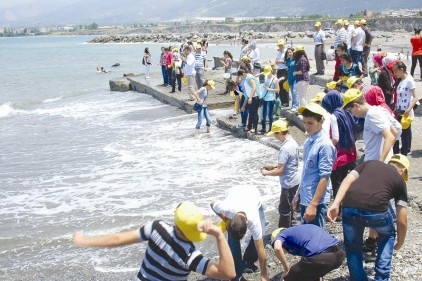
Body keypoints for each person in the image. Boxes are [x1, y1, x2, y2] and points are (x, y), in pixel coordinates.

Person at [73, 202, 235, 281]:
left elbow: (118, 239)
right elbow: (228, 274)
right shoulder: (190, 256)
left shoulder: (156, 228)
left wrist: (85, 241)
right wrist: (219, 236)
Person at [327, 154, 410, 281]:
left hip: (349, 206)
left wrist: (336, 203)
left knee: (353, 248)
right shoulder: (399, 180)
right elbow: (402, 220)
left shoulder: (369, 163)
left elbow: (348, 179)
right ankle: (381, 277)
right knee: (387, 235)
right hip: (377, 211)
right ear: (403, 170)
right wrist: (400, 241)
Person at [210, 186, 269, 281]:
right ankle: (236, 273)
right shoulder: (226, 209)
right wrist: (225, 219)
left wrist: (264, 274)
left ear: (247, 223)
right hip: (233, 192)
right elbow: (212, 203)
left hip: (253, 195)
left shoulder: (253, 220)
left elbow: (261, 249)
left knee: (261, 236)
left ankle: (248, 261)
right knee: (233, 242)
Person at [297, 103, 336, 227]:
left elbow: (324, 177)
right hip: (306, 195)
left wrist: (313, 204)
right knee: (305, 235)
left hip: (315, 201)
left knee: (314, 239)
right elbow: (306, 171)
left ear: (321, 121)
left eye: (310, 123)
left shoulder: (325, 145)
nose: (306, 126)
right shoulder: (309, 140)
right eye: (304, 122)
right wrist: (299, 194)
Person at [262, 120, 300, 228]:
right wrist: (274, 166)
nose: (274, 137)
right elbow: (288, 162)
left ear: (279, 132)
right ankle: (292, 224)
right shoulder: (293, 142)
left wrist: (266, 172)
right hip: (295, 179)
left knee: (284, 208)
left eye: (275, 134)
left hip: (288, 182)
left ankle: (283, 231)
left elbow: (280, 171)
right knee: (289, 204)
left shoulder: (284, 148)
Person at [342, 88, 397, 163]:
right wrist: (388, 153)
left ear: (356, 105)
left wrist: (380, 162)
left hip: (376, 164)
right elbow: (394, 131)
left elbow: (390, 137)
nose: (351, 114)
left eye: (350, 110)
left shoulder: (372, 115)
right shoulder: (378, 109)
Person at [271, 225, 345, 281]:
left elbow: (277, 248)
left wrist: (287, 269)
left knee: (290, 276)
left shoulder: (282, 234)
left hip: (321, 257)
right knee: (310, 273)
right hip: (339, 255)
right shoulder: (300, 230)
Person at [321, 90, 357, 204]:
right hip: (350, 152)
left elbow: (335, 138)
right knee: (346, 180)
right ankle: (347, 205)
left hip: (340, 155)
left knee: (337, 183)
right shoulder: (346, 112)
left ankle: (338, 210)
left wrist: (326, 149)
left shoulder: (333, 116)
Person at [392, 61, 418, 156]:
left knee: (405, 133)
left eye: (396, 71)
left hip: (405, 111)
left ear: (401, 70)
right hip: (398, 110)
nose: (394, 73)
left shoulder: (409, 80)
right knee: (397, 132)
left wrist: (408, 109)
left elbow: (415, 97)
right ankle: (396, 153)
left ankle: (404, 153)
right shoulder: (399, 81)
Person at [238, 69, 260, 134]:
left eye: (240, 76)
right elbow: (246, 93)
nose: (240, 78)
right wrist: (243, 106)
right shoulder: (245, 79)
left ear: (243, 74)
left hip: (254, 97)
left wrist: (250, 97)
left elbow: (254, 87)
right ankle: (249, 127)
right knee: (251, 113)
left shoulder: (249, 77)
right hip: (250, 98)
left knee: (254, 113)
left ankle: (254, 128)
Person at [260, 65, 278, 133]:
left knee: (270, 114)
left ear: (271, 70)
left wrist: (268, 89)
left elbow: (277, 90)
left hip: (271, 98)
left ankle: (270, 129)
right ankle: (263, 128)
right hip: (264, 97)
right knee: (263, 114)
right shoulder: (265, 76)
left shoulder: (275, 79)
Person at [275, 39, 289, 107]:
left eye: (281, 45)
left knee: (285, 86)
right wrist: (280, 61)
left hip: (284, 70)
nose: (280, 46)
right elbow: (276, 61)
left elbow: (285, 61)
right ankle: (282, 101)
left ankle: (286, 102)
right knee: (279, 85)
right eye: (279, 45)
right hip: (279, 69)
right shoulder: (279, 52)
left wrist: (279, 61)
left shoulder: (286, 52)